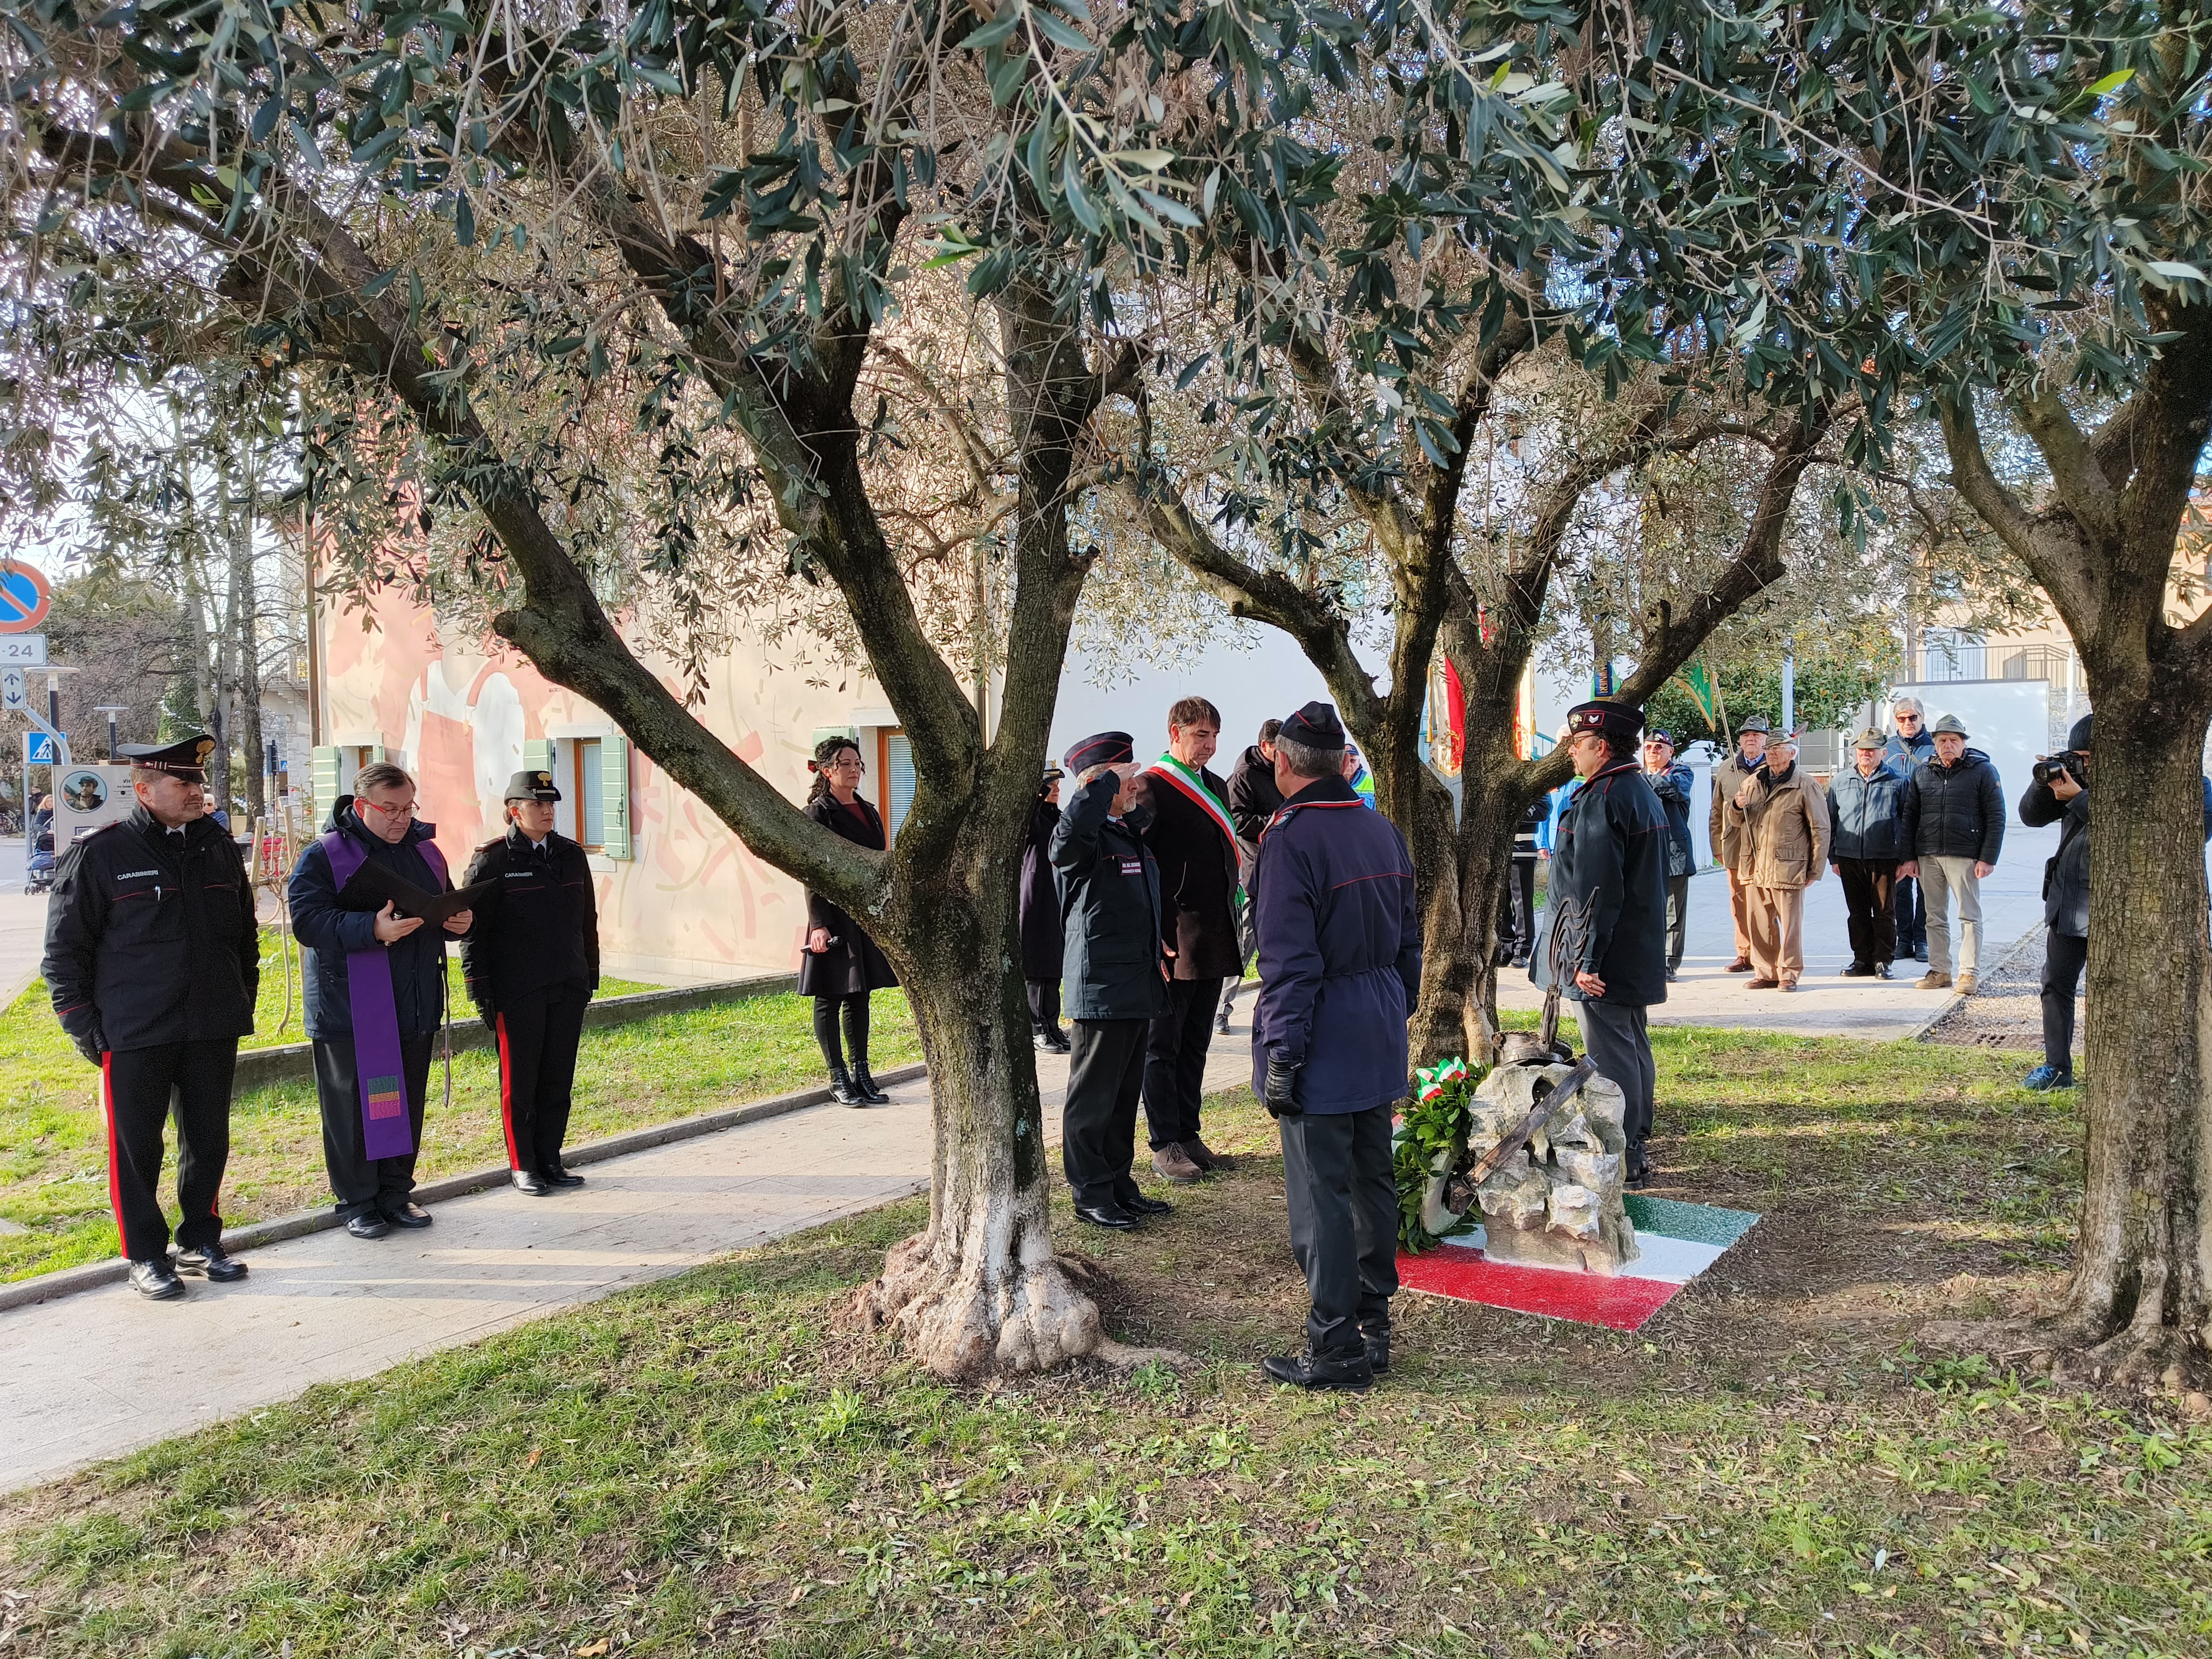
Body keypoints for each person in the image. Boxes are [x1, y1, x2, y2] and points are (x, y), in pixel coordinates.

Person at [42, 734, 258, 1299]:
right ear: (144, 790)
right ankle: (144, 1254)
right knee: (138, 1149)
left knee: (208, 1139)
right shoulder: (102, 854)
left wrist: (242, 998)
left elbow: (244, 938)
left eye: (198, 781)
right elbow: (65, 952)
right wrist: (83, 1026)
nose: (196, 791)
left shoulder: (216, 845)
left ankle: (200, 1239)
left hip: (210, 1022)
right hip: (135, 1029)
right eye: (183, 782)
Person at [1251, 702, 1420, 1391]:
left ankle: (1335, 1346)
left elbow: (1289, 963)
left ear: (1282, 763)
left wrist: (1283, 1053)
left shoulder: (1291, 840)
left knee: (1321, 1191)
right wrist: (1393, 1008)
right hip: (1376, 1019)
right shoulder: (1380, 830)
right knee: (1372, 1177)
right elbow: (1409, 939)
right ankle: (1373, 1326)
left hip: (1322, 1028)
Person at [289, 761, 474, 1239]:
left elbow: (445, 904)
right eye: (389, 809)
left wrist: (460, 922)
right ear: (360, 806)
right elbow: (307, 923)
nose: (401, 819)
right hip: (349, 1006)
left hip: (413, 1002)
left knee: (404, 1101)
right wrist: (370, 929)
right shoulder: (325, 855)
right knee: (354, 1108)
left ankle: (396, 1193)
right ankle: (357, 1202)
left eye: (408, 808)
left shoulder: (426, 853)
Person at [1050, 732, 1174, 1231]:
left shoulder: (1123, 833)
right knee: (1093, 1098)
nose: (1136, 786)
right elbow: (1068, 840)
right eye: (1126, 778)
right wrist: (1100, 788)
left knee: (1124, 1096)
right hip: (1100, 986)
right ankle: (1091, 1193)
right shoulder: (1081, 835)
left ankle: (1119, 1183)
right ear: (1097, 783)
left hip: (1136, 982)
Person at [1544, 700, 1669, 1185]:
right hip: (1631, 946)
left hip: (1605, 954)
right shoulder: (1635, 789)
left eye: (1577, 744)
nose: (1572, 753)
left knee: (1612, 1054)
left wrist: (1584, 958)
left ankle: (1625, 1151)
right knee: (1632, 1045)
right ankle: (1634, 1142)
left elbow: (1595, 890)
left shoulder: (1604, 797)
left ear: (1600, 746)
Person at [461, 769, 601, 1194]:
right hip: (518, 990)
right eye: (537, 804)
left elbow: (586, 922)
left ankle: (551, 1159)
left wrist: (589, 975)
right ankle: (524, 1165)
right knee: (520, 1082)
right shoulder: (493, 861)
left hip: (567, 984)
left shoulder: (571, 855)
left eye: (551, 804)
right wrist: (479, 987)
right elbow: (473, 933)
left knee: (557, 1079)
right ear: (513, 811)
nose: (547, 811)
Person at [1138, 697, 1242, 1182]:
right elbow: (1145, 867)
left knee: (1197, 1039)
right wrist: (1155, 931)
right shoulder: (1152, 789)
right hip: (1175, 934)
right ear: (1175, 732)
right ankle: (1164, 1142)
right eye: (1201, 735)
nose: (1211, 745)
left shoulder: (1216, 785)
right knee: (1165, 1044)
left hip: (1214, 932)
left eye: (1215, 735)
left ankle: (1189, 1130)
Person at [799, 736, 899, 1105]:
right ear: (827, 770)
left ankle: (862, 1073)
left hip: (865, 916)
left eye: (858, 763)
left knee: (860, 996)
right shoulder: (817, 814)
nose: (856, 769)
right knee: (831, 995)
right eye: (847, 764)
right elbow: (810, 871)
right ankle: (837, 1076)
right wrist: (819, 924)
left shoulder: (869, 810)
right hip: (832, 916)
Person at [1899, 713, 2004, 995]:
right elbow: (1910, 816)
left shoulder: (1983, 771)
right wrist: (1909, 857)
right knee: (1933, 916)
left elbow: (1996, 817)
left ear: (1963, 743)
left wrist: (1988, 858)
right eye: (1942, 740)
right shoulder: (1922, 772)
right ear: (1934, 743)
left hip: (1965, 855)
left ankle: (1968, 974)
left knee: (1969, 916)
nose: (1948, 745)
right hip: (1928, 855)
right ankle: (1939, 970)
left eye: (1953, 740)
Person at [1725, 734, 1830, 992]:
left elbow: (1820, 828)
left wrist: (1815, 869)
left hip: (1789, 866)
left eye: (1778, 748)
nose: (1771, 753)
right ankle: (1765, 972)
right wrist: (1736, 807)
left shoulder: (1805, 785)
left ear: (1792, 754)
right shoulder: (1752, 783)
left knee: (1791, 926)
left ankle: (1789, 974)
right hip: (1755, 864)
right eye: (1769, 748)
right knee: (1759, 923)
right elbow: (1736, 821)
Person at [1218, 719, 1284, 1034]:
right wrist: (1273, 822)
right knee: (1246, 940)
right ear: (1265, 747)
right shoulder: (1243, 776)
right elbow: (1237, 820)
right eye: (1279, 748)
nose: (1284, 753)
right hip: (1254, 869)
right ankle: (1221, 1006)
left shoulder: (1283, 770)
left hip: (1283, 865)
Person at [1827, 728, 1908, 979]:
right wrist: (1834, 857)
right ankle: (1861, 959)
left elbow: (1908, 821)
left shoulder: (1899, 780)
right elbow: (1830, 820)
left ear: (1883, 753)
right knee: (1857, 912)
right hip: (1849, 858)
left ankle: (1883, 961)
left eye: (1872, 750)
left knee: (1884, 912)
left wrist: (1905, 860)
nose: (1866, 753)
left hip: (1884, 858)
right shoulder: (1841, 781)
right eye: (1862, 749)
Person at [1709, 716, 1771, 972]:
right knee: (1739, 901)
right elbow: (1716, 809)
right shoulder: (1727, 768)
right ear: (1739, 740)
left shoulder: (1774, 766)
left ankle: (1767, 953)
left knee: (1766, 902)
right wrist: (1717, 846)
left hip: (1765, 844)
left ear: (1766, 740)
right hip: (1734, 844)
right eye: (1746, 735)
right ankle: (1744, 953)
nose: (1751, 739)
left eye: (1756, 735)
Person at [1020, 768, 1069, 1053]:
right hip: (1035, 896)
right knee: (1037, 965)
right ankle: (1038, 1027)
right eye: (1051, 785)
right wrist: (1038, 795)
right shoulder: (1033, 818)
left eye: (1058, 785)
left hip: (1055, 895)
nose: (1056, 789)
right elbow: (1029, 831)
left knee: (1054, 964)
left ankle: (1052, 1024)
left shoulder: (1058, 817)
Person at [1885, 698, 1935, 962]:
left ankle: (1922, 939)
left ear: (1922, 717)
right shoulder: (1888, 748)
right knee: (1900, 887)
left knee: (1927, 888)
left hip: (1927, 827)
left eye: (1913, 718)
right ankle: (1903, 938)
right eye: (1902, 719)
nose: (1907, 723)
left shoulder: (1935, 747)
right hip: (1897, 828)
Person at [1643, 730, 1695, 980]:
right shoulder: (1638, 777)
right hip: (1645, 853)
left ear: (1670, 752)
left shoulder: (1681, 773)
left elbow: (1675, 789)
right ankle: (1648, 957)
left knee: (1673, 913)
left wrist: (1640, 782)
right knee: (1645, 909)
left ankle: (1669, 962)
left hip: (1674, 853)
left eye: (1659, 748)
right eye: (1649, 747)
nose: (1653, 752)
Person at [1503, 795, 1547, 969]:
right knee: (1500, 904)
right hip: (1500, 852)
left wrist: (1510, 811)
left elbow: (1539, 812)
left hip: (1522, 851)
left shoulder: (1538, 787)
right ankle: (1505, 946)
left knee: (1522, 903)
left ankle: (1522, 949)